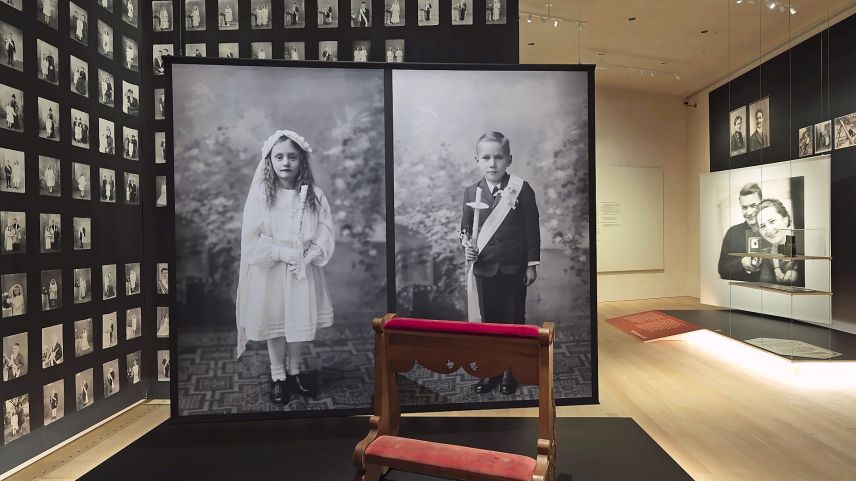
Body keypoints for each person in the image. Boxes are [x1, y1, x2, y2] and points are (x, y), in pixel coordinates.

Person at [236, 130, 335, 405]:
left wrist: (309, 255)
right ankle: (278, 374)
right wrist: (281, 252)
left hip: (301, 269)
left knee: (297, 319)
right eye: (278, 157)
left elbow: (325, 232)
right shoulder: (262, 195)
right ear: (270, 161)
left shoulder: (315, 195)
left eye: (292, 157)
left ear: (301, 160)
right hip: (271, 269)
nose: (285, 162)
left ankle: (294, 371)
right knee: (276, 322)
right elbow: (251, 238)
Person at [460, 132, 540, 395]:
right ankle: (491, 369)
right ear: (477, 160)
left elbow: (532, 230)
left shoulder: (521, 189)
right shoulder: (471, 192)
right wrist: (466, 244)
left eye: (498, 157)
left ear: (509, 160)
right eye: (486, 158)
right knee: (489, 320)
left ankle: (510, 370)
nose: (492, 163)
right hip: (484, 267)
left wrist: (531, 264)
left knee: (513, 318)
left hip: (513, 268)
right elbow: (465, 229)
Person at [717, 183, 764, 281]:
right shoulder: (732, 233)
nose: (749, 212)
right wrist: (741, 263)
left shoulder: (774, 232)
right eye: (744, 207)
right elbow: (722, 270)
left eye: (753, 206)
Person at [755, 198, 803, 286]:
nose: (768, 230)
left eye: (772, 221)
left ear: (785, 220)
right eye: (762, 226)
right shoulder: (766, 256)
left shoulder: (806, 246)